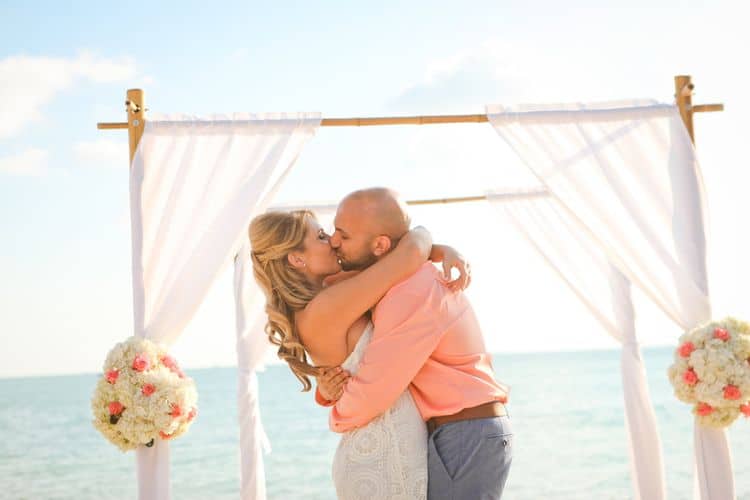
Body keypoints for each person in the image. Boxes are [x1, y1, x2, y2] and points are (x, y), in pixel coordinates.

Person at [248, 203, 469, 499]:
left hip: (389, 448)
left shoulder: (328, 298)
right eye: (323, 237)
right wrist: (423, 233)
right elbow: (409, 254)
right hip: (382, 457)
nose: (334, 242)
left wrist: (440, 251)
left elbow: (393, 259)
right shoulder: (326, 307)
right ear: (297, 259)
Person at [317, 187, 512, 500]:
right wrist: (433, 247)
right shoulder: (399, 280)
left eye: (344, 234)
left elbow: (374, 390)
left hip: (465, 434)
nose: (334, 241)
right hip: (460, 431)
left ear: (380, 245)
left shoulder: (411, 292)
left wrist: (337, 414)